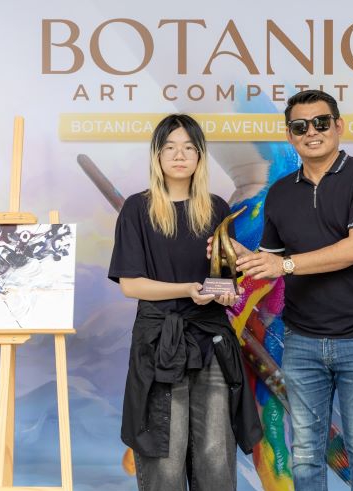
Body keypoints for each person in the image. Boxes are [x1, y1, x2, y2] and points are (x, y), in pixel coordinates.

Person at [232, 90, 353, 490]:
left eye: (321, 123)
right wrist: (239, 255)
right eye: (300, 126)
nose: (312, 132)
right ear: (290, 135)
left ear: (338, 126)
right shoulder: (280, 192)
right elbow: (269, 262)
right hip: (301, 339)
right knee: (305, 453)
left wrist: (284, 265)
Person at [108, 114, 262, 491]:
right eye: (170, 147)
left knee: (215, 454)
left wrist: (227, 293)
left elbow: (225, 280)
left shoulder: (216, 208)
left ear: (200, 156)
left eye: (189, 148)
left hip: (212, 341)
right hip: (159, 343)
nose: (180, 155)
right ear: (157, 155)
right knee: (164, 455)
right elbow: (131, 285)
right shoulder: (137, 209)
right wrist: (187, 289)